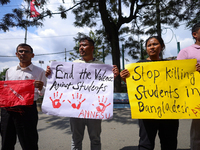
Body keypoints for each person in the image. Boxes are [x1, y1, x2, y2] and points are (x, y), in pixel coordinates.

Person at [46, 36, 119, 150]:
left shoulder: (102, 65)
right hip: (75, 110)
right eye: (80, 46)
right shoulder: (72, 65)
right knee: (76, 140)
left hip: (94, 110)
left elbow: (105, 86)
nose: (81, 48)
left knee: (95, 139)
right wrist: (51, 74)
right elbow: (63, 82)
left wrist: (113, 75)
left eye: (84, 45)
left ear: (92, 48)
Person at [120, 36, 179, 150]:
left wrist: (194, 72)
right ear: (146, 49)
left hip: (168, 113)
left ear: (162, 47)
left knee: (169, 144)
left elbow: (180, 85)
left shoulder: (171, 66)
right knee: (146, 144)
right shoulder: (138, 66)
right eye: (149, 45)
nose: (152, 47)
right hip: (147, 113)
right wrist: (125, 80)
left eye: (155, 44)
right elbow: (134, 90)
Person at [1, 43, 46, 150]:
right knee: (6, 140)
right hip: (8, 109)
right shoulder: (9, 71)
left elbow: (45, 92)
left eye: (26, 51)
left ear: (32, 55)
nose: (23, 53)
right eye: (20, 51)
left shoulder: (40, 71)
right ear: (16, 54)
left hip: (28, 110)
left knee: (29, 142)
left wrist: (41, 88)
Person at [177, 22, 200, 150]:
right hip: (197, 97)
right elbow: (177, 74)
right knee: (198, 131)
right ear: (194, 34)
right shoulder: (186, 52)